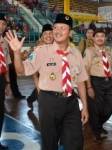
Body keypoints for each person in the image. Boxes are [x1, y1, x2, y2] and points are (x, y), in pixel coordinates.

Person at [5, 13, 89, 150]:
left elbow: (80, 81)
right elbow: (21, 71)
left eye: (63, 28)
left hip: (71, 102)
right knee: (50, 143)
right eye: (55, 27)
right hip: (49, 102)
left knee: (76, 142)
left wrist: (85, 106)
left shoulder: (76, 53)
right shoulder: (41, 51)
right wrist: (16, 52)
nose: (57, 31)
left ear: (70, 32)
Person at [83, 28, 112, 143]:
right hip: (96, 82)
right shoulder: (89, 51)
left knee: (111, 107)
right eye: (98, 36)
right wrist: (89, 87)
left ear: (105, 38)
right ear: (94, 38)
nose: (100, 38)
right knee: (96, 109)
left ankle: (98, 125)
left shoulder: (108, 51)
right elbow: (85, 70)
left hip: (109, 82)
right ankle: (96, 132)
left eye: (102, 36)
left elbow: (111, 69)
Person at [26, 23, 54, 109]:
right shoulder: (38, 48)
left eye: (50, 33)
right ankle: (31, 99)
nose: (48, 36)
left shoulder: (57, 47)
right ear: (42, 36)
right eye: (45, 34)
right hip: (41, 79)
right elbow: (34, 74)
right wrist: (39, 90)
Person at [0, 13, 11, 150]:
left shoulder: (5, 42)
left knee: (0, 110)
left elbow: (6, 64)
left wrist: (7, 83)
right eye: (0, 23)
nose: (2, 26)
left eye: (3, 24)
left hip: (1, 79)